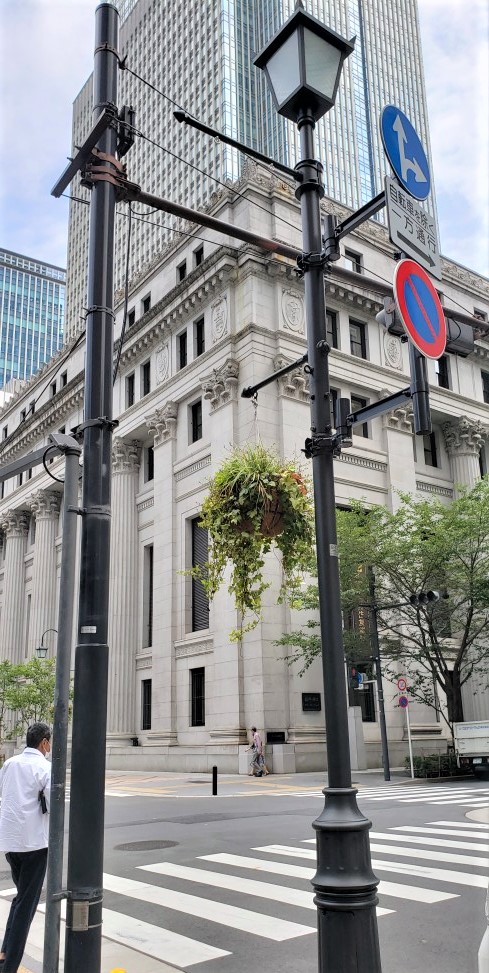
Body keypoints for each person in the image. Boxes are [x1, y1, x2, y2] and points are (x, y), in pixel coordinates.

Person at [0, 722, 51, 973]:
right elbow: (54, 804)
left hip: (10, 843)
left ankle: (4, 953)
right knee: (26, 905)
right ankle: (8, 966)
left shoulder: (10, 764)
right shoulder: (44, 767)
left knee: (21, 899)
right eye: (49, 743)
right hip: (34, 843)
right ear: (44, 742)